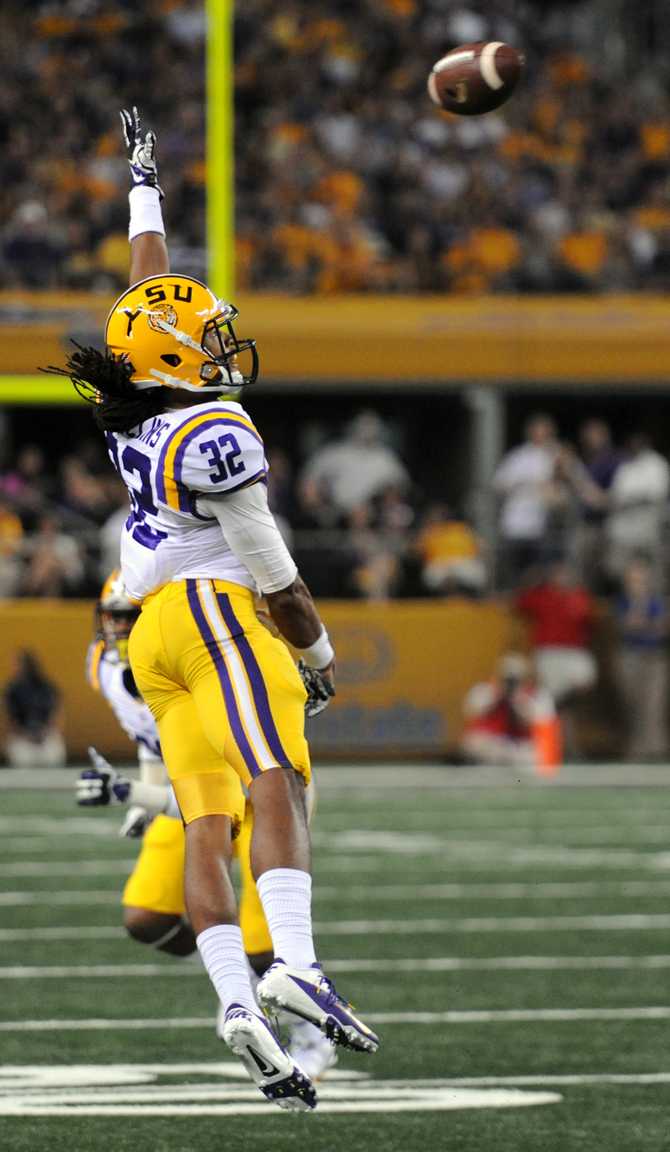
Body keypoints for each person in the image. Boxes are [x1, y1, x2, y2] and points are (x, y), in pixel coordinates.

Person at [48, 106, 377, 1110]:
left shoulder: (134, 402)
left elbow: (150, 287)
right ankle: (299, 965)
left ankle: (237, 1001)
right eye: (207, 340)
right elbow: (272, 570)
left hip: (157, 636)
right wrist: (319, 656)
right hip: (221, 613)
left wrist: (143, 182)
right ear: (177, 361)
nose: (223, 345)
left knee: (205, 822)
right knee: (275, 779)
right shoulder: (216, 429)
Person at [79, 569, 337, 1078]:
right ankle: (235, 987)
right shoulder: (110, 668)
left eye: (131, 619)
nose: (120, 632)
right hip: (189, 788)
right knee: (147, 917)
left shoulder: (217, 653)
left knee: (267, 945)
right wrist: (143, 793)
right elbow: (156, 744)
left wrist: (133, 793)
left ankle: (313, 1034)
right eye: (114, 619)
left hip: (256, 791)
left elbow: (222, 786)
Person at [515, 562, 597, 759]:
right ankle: (559, 747)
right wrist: (530, 582)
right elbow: (520, 604)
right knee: (550, 706)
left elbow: (589, 619)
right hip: (549, 652)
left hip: (573, 652)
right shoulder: (542, 595)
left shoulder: (578, 596)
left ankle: (560, 703)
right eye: (557, 575)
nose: (561, 579)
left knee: (584, 680)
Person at [461, 652, 559, 771]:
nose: (511, 683)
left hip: (521, 747)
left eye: (516, 679)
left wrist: (519, 702)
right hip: (493, 744)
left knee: (532, 755)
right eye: (507, 678)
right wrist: (496, 696)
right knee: (474, 742)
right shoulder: (484, 691)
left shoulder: (537, 696)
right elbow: (471, 712)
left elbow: (542, 725)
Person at [493, 414, 560, 588]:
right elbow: (498, 484)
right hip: (516, 523)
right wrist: (525, 483)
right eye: (537, 431)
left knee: (541, 572)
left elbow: (574, 484)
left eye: (545, 432)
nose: (541, 435)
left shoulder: (557, 455)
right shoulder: (518, 456)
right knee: (513, 570)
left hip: (545, 526)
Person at [614, 557, 669, 762]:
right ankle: (636, 750)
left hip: (654, 657)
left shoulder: (656, 601)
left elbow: (662, 629)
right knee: (633, 704)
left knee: (653, 705)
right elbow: (629, 626)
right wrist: (640, 609)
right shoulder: (623, 601)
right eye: (633, 579)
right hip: (630, 657)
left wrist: (645, 623)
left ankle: (655, 749)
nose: (637, 582)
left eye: (640, 578)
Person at [4, 649, 65, 767]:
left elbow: (57, 714)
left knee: (54, 755)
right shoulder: (12, 691)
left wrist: (44, 733)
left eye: (17, 665)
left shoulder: (46, 687)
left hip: (46, 736)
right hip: (22, 737)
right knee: (22, 758)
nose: (14, 668)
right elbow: (10, 720)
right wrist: (26, 735)